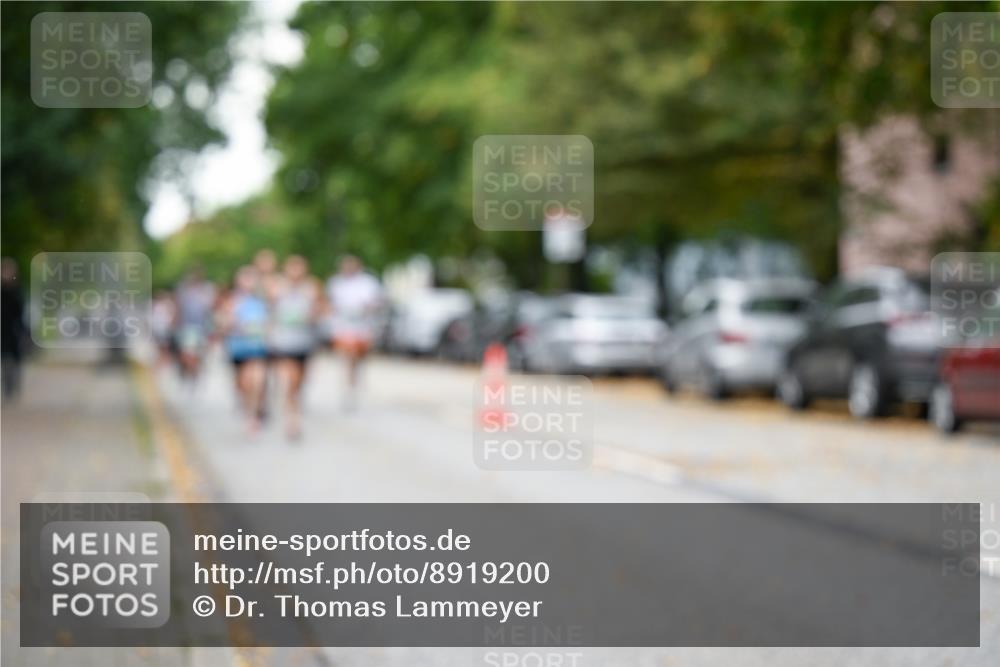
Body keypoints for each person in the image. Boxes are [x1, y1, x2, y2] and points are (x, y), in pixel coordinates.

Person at [268, 255, 321, 440]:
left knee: (299, 384)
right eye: (293, 268)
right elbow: (269, 311)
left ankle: (294, 411)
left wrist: (312, 315)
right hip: (283, 343)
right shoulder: (277, 288)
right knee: (290, 382)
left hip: (304, 343)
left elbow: (318, 313)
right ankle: (293, 422)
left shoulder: (311, 288)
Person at [327, 255, 383, 410]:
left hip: (362, 330)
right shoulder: (336, 283)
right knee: (347, 358)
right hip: (343, 329)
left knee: (357, 360)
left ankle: (354, 382)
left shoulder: (367, 283)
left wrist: (366, 308)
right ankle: (348, 389)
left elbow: (377, 303)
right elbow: (331, 305)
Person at [220, 266, 270, 434]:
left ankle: (254, 415)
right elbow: (223, 325)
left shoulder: (263, 300)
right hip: (239, 348)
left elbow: (270, 323)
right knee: (244, 384)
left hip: (258, 348)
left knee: (257, 380)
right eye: (245, 278)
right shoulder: (232, 301)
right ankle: (249, 409)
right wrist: (231, 321)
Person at [173, 267, 216, 384]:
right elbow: (178, 307)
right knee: (187, 354)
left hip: (203, 327)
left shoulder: (207, 289)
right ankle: (188, 373)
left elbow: (212, 308)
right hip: (187, 327)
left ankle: (195, 375)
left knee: (198, 354)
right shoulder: (183, 289)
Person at [1, 258, 26, 401]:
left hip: (14, 330)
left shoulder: (17, 290)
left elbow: (20, 310)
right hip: (2, 330)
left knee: (15, 360)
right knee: (4, 360)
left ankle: (14, 385)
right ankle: (7, 387)